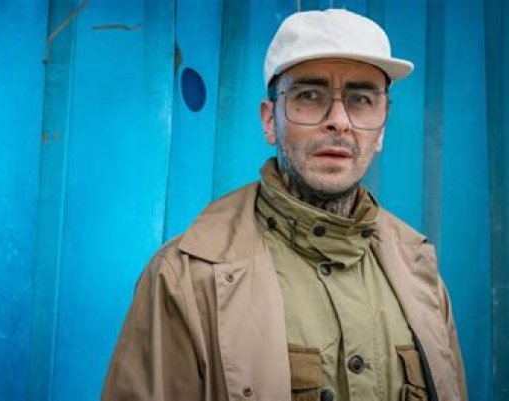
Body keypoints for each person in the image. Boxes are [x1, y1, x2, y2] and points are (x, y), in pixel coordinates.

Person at [102, 8, 467, 401]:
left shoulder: (419, 272)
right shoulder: (187, 278)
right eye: (309, 96)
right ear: (269, 120)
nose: (339, 121)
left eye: (361, 99)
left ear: (382, 127)